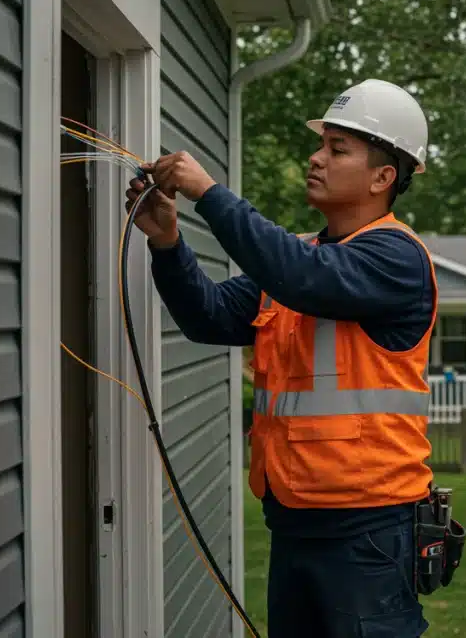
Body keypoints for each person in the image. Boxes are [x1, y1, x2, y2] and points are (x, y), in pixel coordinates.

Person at [126, 79, 437, 637]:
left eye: (338, 149)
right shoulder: (301, 259)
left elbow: (303, 277)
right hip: (294, 519)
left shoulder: (396, 257)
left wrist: (208, 192)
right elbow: (210, 317)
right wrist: (168, 243)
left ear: (383, 177)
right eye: (322, 145)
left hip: (366, 528)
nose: (316, 157)